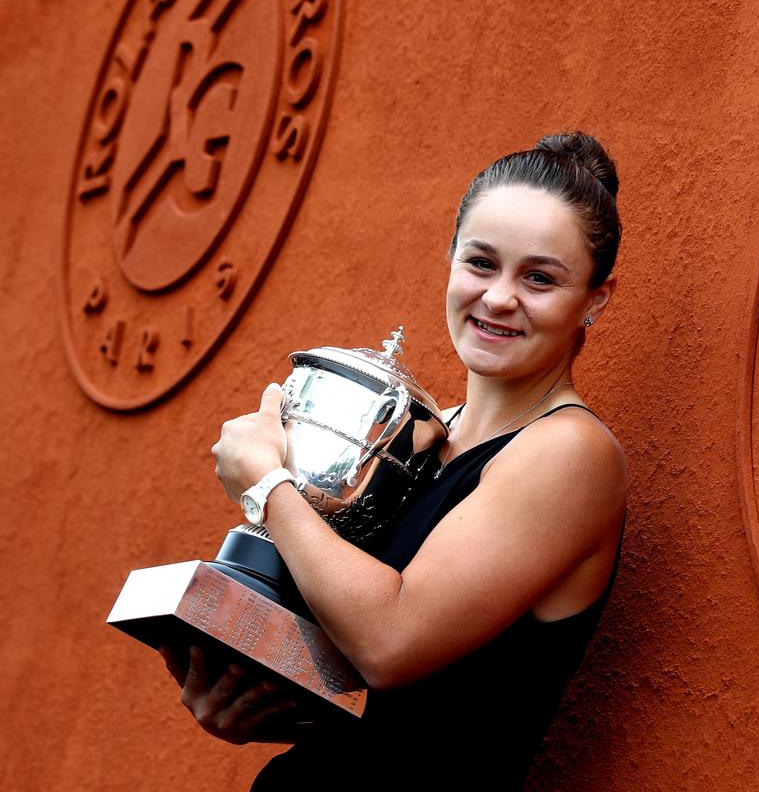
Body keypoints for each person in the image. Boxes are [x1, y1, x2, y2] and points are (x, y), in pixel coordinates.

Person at [161, 131, 627, 790]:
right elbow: (382, 694)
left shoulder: (571, 454)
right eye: (481, 262)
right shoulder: (428, 435)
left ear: (596, 299)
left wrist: (266, 483)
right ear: (451, 259)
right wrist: (247, 696)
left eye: (540, 278)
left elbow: (389, 641)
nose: (498, 298)